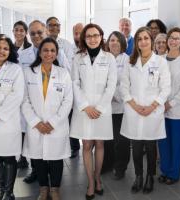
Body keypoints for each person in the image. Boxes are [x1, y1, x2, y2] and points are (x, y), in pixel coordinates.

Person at [120, 27, 171, 194]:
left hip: (153, 110)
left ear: (151, 40)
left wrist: (152, 106)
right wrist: (135, 106)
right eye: (140, 39)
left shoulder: (160, 62)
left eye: (146, 38)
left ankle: (150, 177)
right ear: (137, 42)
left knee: (150, 146)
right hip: (133, 109)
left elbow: (166, 88)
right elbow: (124, 87)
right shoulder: (130, 61)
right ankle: (138, 176)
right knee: (135, 145)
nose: (143, 41)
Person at [19, 20, 70, 184]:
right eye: (32, 33)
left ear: (46, 32)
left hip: (56, 118)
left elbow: (67, 90)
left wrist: (54, 121)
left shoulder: (60, 57)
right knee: (36, 154)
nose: (36, 36)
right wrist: (35, 121)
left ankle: (54, 188)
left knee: (55, 156)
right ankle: (40, 182)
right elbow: (22, 94)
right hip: (34, 118)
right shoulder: (24, 58)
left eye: (39, 32)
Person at [70, 23, 117, 200]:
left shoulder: (109, 58)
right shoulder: (77, 58)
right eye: (88, 36)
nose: (92, 39)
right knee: (87, 145)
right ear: (84, 38)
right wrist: (85, 106)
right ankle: (91, 181)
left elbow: (111, 85)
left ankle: (98, 177)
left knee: (100, 144)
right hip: (84, 109)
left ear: (101, 36)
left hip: (101, 109)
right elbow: (74, 83)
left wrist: (100, 107)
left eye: (95, 35)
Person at [0, 34, 24, 200]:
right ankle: (0, 190)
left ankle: (9, 192)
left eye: (5, 48)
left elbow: (17, 96)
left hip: (7, 120)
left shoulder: (15, 69)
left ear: (10, 51)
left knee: (9, 155)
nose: (1, 51)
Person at [158, 27, 180, 185]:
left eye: (177, 38)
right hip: (160, 109)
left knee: (176, 143)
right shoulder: (159, 59)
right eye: (171, 37)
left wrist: (170, 104)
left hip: (178, 111)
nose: (173, 40)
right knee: (163, 142)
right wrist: (159, 102)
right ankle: (165, 170)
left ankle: (174, 173)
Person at [102, 31, 130, 180]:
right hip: (106, 107)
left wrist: (114, 95)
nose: (114, 43)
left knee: (122, 140)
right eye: (111, 40)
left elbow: (127, 82)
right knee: (107, 139)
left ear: (122, 43)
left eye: (117, 40)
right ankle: (106, 164)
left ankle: (120, 167)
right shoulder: (103, 58)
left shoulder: (128, 60)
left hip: (121, 106)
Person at [13, 20, 32, 169]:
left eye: (21, 30)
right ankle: (19, 156)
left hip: (28, 93)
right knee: (17, 127)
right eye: (16, 30)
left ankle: (26, 157)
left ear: (26, 33)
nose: (19, 32)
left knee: (27, 127)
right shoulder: (8, 48)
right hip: (13, 93)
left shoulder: (31, 50)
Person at [69, 23, 84, 159]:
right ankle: (74, 147)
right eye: (75, 33)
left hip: (85, 94)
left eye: (81, 33)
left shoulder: (90, 50)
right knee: (71, 120)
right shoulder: (69, 49)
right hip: (70, 92)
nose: (78, 36)